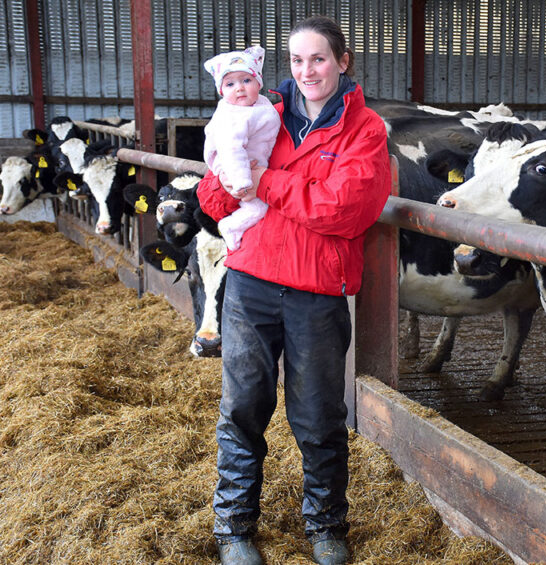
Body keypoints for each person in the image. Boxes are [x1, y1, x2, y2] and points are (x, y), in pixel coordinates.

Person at [197, 15, 392, 565]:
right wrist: (225, 169)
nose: (307, 71)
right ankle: (234, 527)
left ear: (342, 62)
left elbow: (345, 211)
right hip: (251, 284)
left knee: (319, 415)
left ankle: (326, 526)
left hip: (316, 291)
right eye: (297, 60)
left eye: (319, 59)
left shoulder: (365, 130)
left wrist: (261, 181)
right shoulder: (260, 112)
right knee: (242, 408)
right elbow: (215, 203)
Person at [202, 45, 281, 251]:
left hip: (249, 165)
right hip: (236, 169)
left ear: (259, 83)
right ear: (221, 91)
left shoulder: (258, 106)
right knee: (257, 208)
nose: (239, 88)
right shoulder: (233, 115)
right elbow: (230, 148)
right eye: (230, 84)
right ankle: (231, 227)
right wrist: (241, 180)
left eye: (246, 80)